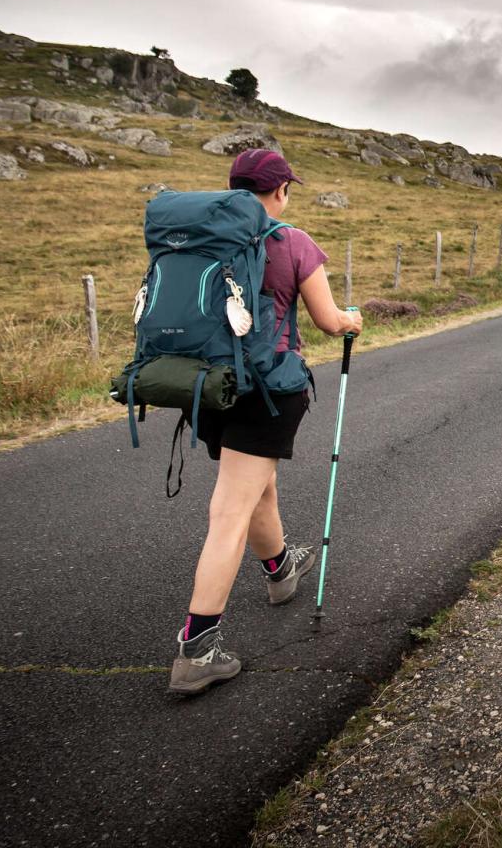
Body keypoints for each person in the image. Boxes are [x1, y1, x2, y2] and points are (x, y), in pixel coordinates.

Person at [171, 149, 364, 695]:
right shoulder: (292, 241)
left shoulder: (206, 238)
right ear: (280, 190)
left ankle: (280, 571)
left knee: (257, 486)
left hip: (209, 386)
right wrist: (351, 319)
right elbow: (329, 322)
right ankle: (196, 649)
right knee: (229, 510)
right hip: (266, 389)